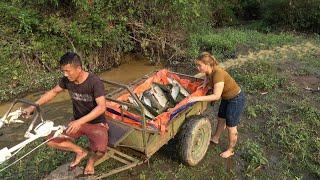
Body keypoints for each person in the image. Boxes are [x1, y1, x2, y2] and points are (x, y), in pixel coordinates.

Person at [23, 52, 108, 175]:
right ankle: (80, 151)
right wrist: (33, 106)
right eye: (63, 71)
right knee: (51, 140)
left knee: (100, 151)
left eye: (68, 71)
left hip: (96, 123)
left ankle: (91, 161)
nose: (65, 74)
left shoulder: (95, 82)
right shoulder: (67, 81)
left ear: (78, 69)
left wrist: (80, 122)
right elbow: (53, 92)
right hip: (76, 121)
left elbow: (101, 107)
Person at [188, 52, 245, 158]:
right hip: (226, 98)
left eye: (199, 65)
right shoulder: (209, 70)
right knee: (221, 118)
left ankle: (231, 150)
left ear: (208, 65)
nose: (197, 67)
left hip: (236, 99)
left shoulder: (218, 74)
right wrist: (205, 83)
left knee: (231, 127)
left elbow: (216, 96)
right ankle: (215, 138)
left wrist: (196, 98)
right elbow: (207, 76)